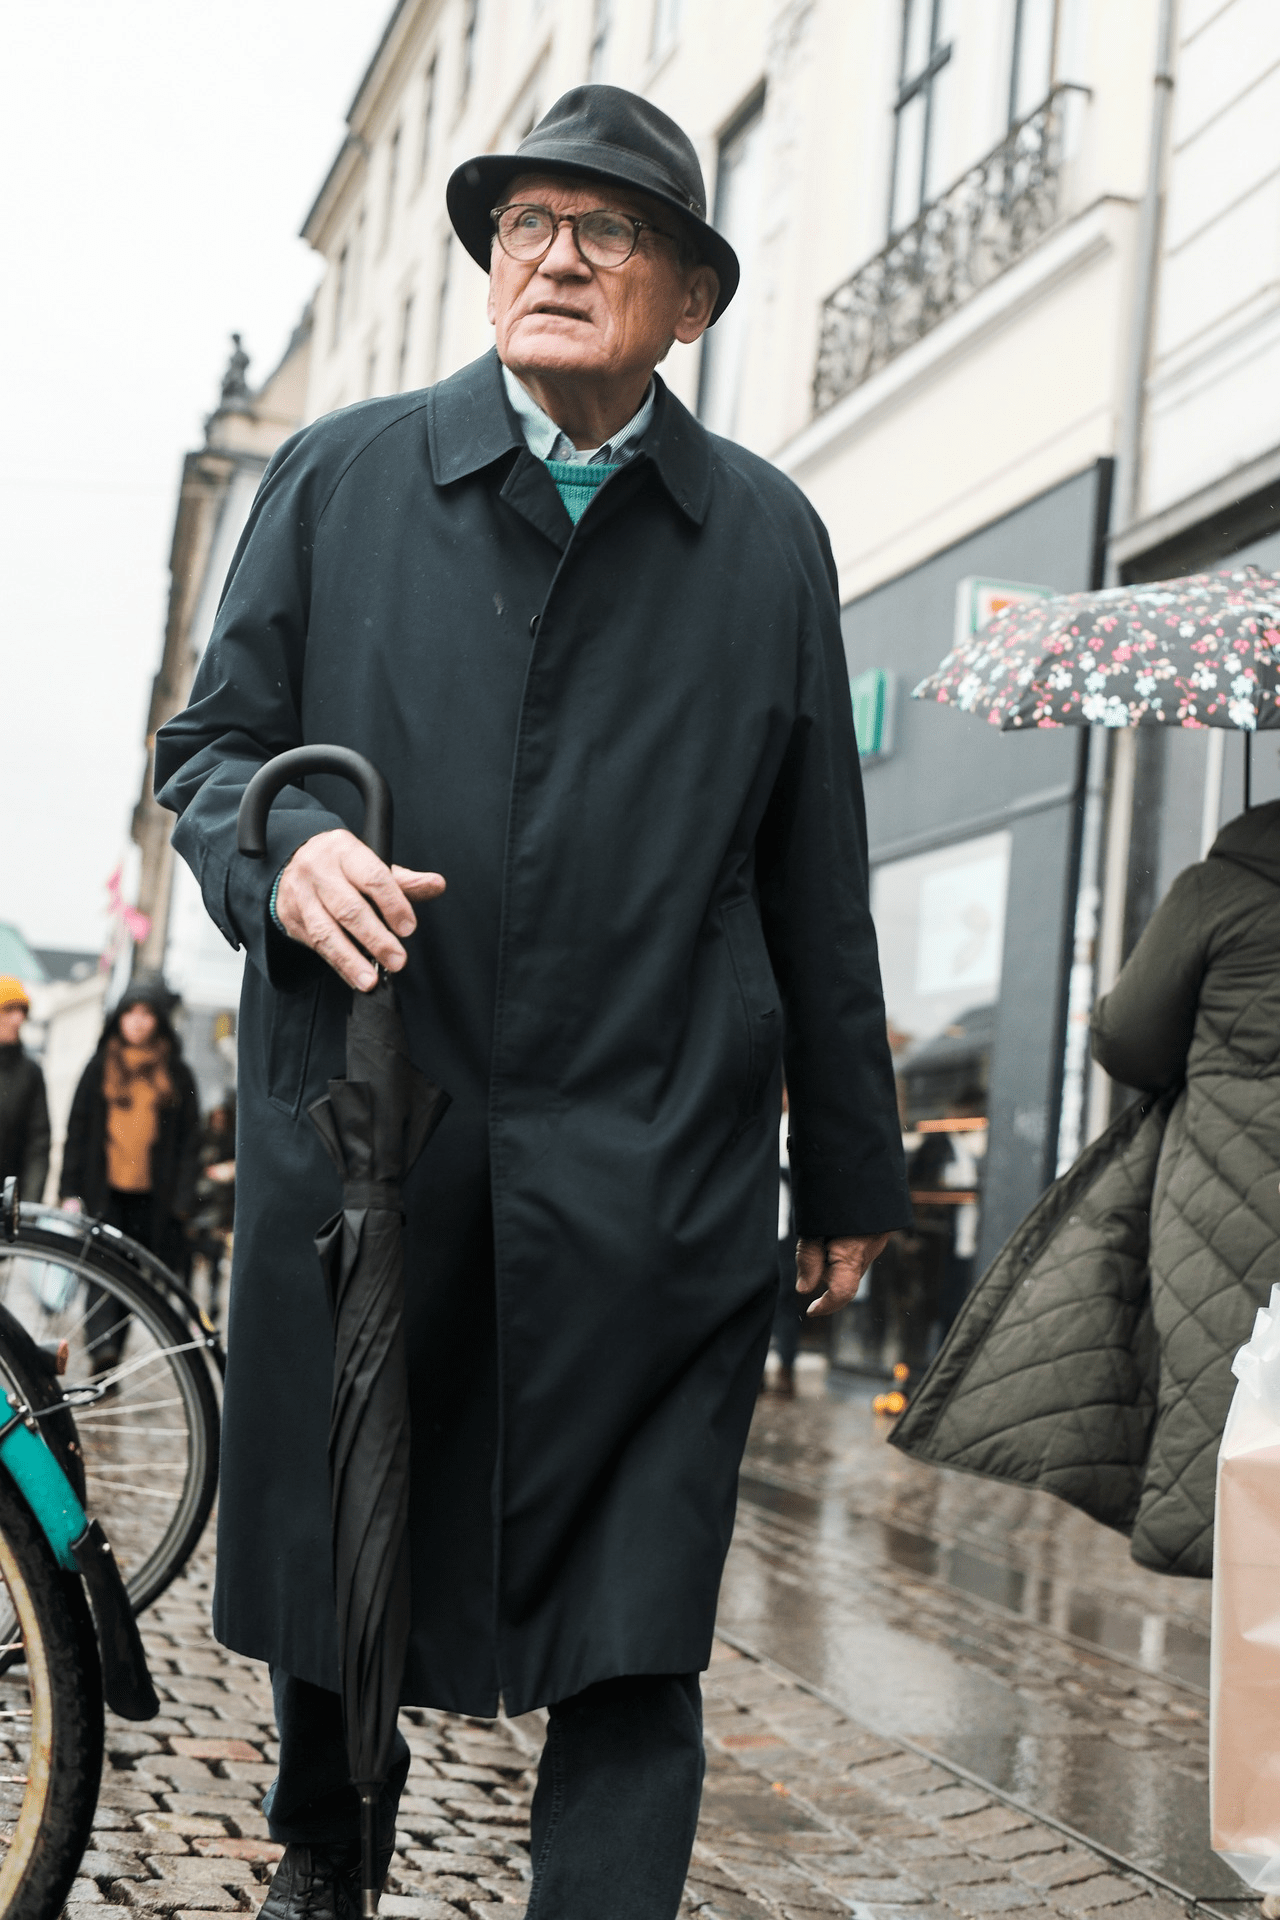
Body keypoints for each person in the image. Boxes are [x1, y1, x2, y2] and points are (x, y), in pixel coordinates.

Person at [155, 84, 909, 1920]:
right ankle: (325, 1850)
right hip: (381, 1127)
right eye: (524, 228)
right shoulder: (339, 477)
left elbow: (815, 874)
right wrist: (289, 849)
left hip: (659, 1160)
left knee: (638, 1604)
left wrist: (858, 1175)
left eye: (609, 231)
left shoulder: (766, 540)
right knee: (348, 1530)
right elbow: (215, 752)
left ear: (690, 301)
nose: (556, 256)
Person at [892, 801, 1280, 1582]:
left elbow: (1128, 1039)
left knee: (1231, 1410)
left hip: (1227, 1199)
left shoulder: (1221, 888)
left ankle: (1247, 1667)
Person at [60, 978, 201, 1371]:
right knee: (100, 1270)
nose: (138, 1023)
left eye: (146, 1014)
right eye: (131, 1013)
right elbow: (79, 1129)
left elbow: (190, 1140)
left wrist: (183, 1201)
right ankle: (102, 1348)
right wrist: (69, 1189)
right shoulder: (98, 1066)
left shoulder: (177, 1074)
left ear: (158, 1020)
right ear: (118, 1018)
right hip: (104, 1191)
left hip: (152, 1197)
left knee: (132, 1279)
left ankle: (111, 1351)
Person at [0, 977, 50, 1203]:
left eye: (22, 1012)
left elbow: (37, 1145)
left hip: (9, 1202)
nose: (18, 1019)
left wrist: (28, 1204)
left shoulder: (30, 1074)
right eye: (9, 1010)